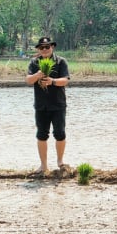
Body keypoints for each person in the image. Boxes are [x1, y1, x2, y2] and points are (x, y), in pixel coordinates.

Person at [25, 36, 71, 176]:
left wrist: (52, 81)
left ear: (52, 47)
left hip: (58, 105)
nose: (44, 49)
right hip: (41, 106)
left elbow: (65, 80)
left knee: (60, 133)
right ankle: (43, 165)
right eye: (41, 47)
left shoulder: (61, 62)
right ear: (39, 49)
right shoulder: (34, 63)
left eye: (47, 47)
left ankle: (60, 162)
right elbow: (28, 80)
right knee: (41, 135)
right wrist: (38, 75)